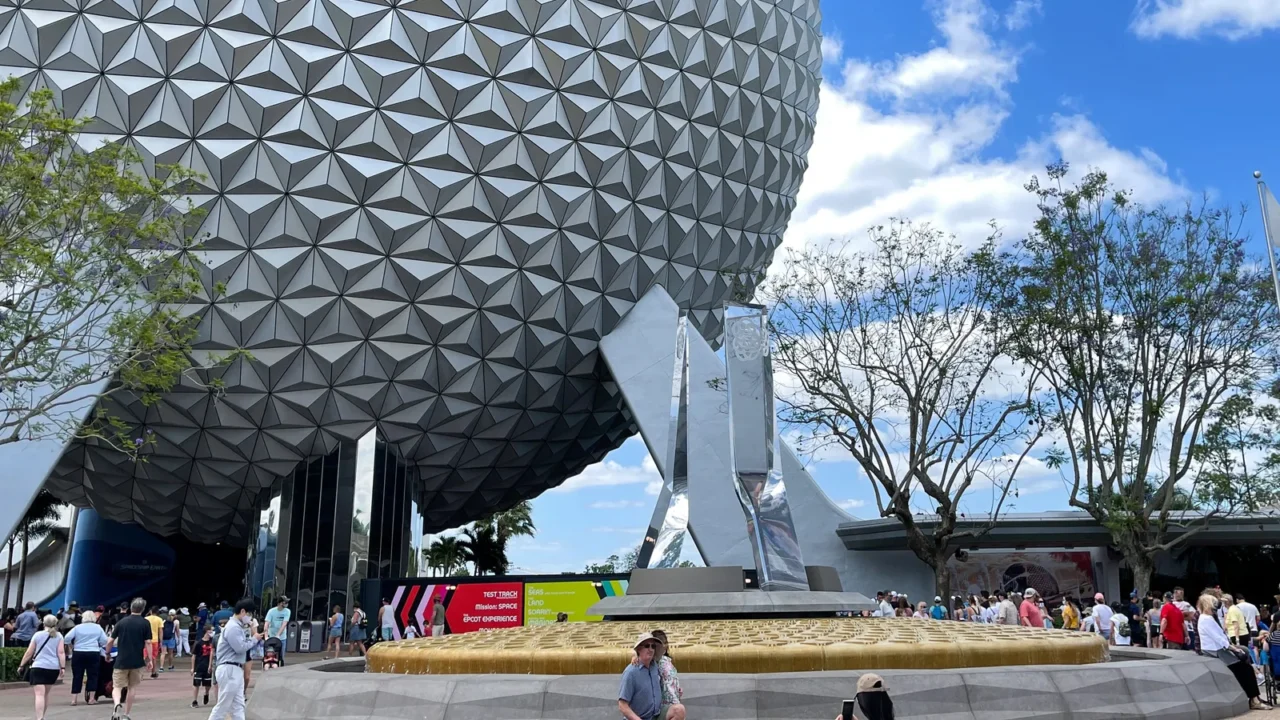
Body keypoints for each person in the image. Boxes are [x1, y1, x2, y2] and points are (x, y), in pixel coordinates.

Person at [1197, 594, 1270, 711]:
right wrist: (1234, 648)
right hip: (1217, 651)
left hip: (1219, 649)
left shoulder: (1207, 618)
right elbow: (1219, 639)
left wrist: (1233, 647)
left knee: (1245, 659)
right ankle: (1254, 699)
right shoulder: (1206, 619)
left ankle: (1255, 697)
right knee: (1246, 669)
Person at [208, 599, 261, 720]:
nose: (250, 618)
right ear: (242, 611)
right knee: (223, 705)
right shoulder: (233, 627)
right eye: (249, 614)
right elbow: (240, 648)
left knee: (238, 704)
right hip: (229, 668)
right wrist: (254, 639)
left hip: (234, 668)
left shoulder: (236, 626)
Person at [107, 597, 153, 720]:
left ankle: (117, 704)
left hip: (121, 660)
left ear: (131, 608)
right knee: (132, 687)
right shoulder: (145, 623)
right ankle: (127, 714)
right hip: (137, 661)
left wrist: (107, 653)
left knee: (117, 687)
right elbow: (148, 642)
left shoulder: (121, 623)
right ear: (143, 609)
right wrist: (150, 659)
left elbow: (110, 640)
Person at [20, 614, 65, 720]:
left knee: (39, 694)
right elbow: (61, 652)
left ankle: (39, 718)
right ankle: (43, 716)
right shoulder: (59, 636)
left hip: (38, 667)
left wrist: (21, 664)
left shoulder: (37, 635)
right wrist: (62, 667)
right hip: (52, 668)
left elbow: (29, 652)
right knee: (46, 694)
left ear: (43, 623)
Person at [619, 632, 665, 720]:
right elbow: (622, 705)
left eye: (653, 646)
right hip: (639, 718)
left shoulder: (654, 665)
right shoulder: (630, 672)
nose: (651, 649)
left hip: (656, 715)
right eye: (647, 646)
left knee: (678, 710)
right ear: (639, 649)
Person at [65, 610, 107, 706]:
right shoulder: (98, 627)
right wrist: (98, 645)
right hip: (93, 652)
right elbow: (104, 640)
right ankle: (91, 698)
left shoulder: (77, 627)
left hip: (78, 652)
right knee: (93, 675)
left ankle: (74, 699)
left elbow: (67, 638)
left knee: (77, 675)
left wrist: (72, 646)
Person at [191, 624, 215, 708]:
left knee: (207, 684)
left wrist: (210, 665)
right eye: (210, 631)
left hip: (208, 665)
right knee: (196, 684)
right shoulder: (198, 643)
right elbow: (194, 656)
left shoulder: (212, 642)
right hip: (199, 666)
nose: (212, 633)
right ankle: (194, 700)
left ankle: (206, 693)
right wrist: (192, 668)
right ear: (206, 632)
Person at [264, 597, 291, 666]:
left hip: (281, 637)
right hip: (271, 636)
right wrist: (266, 636)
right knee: (270, 654)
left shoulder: (287, 611)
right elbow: (266, 623)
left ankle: (281, 665)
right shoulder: (271, 611)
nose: (286, 604)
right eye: (284, 602)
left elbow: (284, 624)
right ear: (279, 603)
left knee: (281, 655)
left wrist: (278, 635)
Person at [146, 607, 164, 677]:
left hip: (145, 640)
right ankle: (153, 672)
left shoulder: (146, 618)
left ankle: (140, 674)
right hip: (155, 640)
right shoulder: (159, 619)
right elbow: (160, 631)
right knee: (153, 657)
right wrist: (161, 641)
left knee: (143, 656)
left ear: (150, 611)